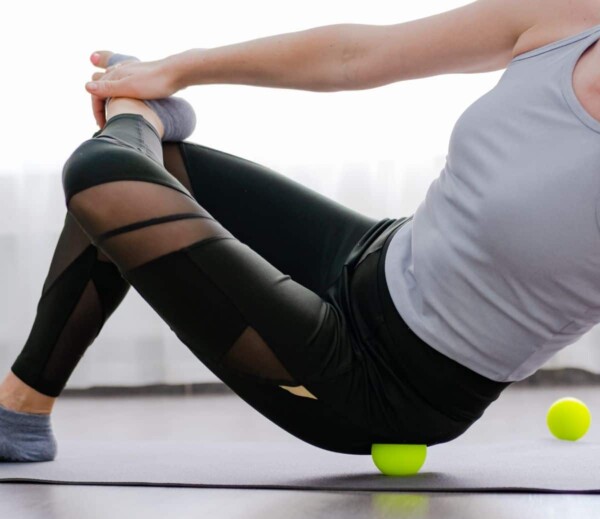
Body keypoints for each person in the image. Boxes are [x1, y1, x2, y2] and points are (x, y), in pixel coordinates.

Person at [3, 0, 600, 462]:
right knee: (161, 170)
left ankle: (137, 116)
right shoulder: (573, 15)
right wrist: (176, 69)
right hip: (372, 255)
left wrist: (137, 99)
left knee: (105, 176)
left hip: (390, 384)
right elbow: (353, 56)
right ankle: (19, 412)